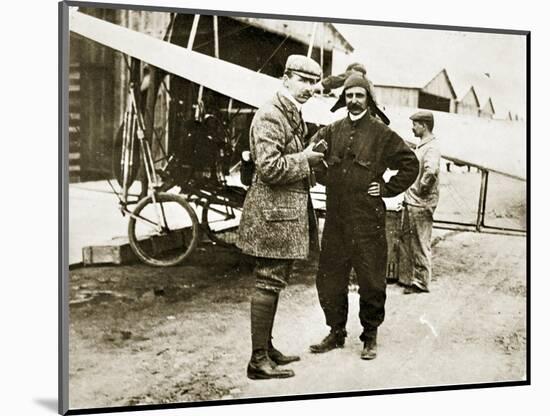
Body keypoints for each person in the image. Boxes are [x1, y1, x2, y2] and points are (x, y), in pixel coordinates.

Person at [308, 74, 419, 360]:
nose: (354, 101)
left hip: (367, 220)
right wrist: (323, 177)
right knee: (330, 278)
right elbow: (312, 156)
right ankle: (336, 332)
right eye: (349, 96)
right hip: (336, 219)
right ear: (343, 99)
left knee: (371, 280)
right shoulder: (331, 131)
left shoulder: (382, 134)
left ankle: (370, 335)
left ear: (368, 99)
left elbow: (410, 164)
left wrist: (385, 188)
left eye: (359, 95)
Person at [237, 54, 325, 379]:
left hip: (282, 214)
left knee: (274, 281)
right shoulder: (271, 114)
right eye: (303, 80)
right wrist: (306, 159)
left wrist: (309, 154)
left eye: (314, 83)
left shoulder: (291, 112)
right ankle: (258, 360)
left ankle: (266, 348)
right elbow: (270, 168)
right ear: (286, 78)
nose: (309, 88)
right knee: (268, 280)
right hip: (272, 214)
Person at [400, 110, 441, 294]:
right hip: (414, 201)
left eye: (415, 124)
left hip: (420, 203)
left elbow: (430, 172)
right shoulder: (423, 146)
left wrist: (421, 190)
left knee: (420, 242)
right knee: (410, 240)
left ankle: (422, 282)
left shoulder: (431, 147)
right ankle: (412, 279)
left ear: (423, 125)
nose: (413, 127)